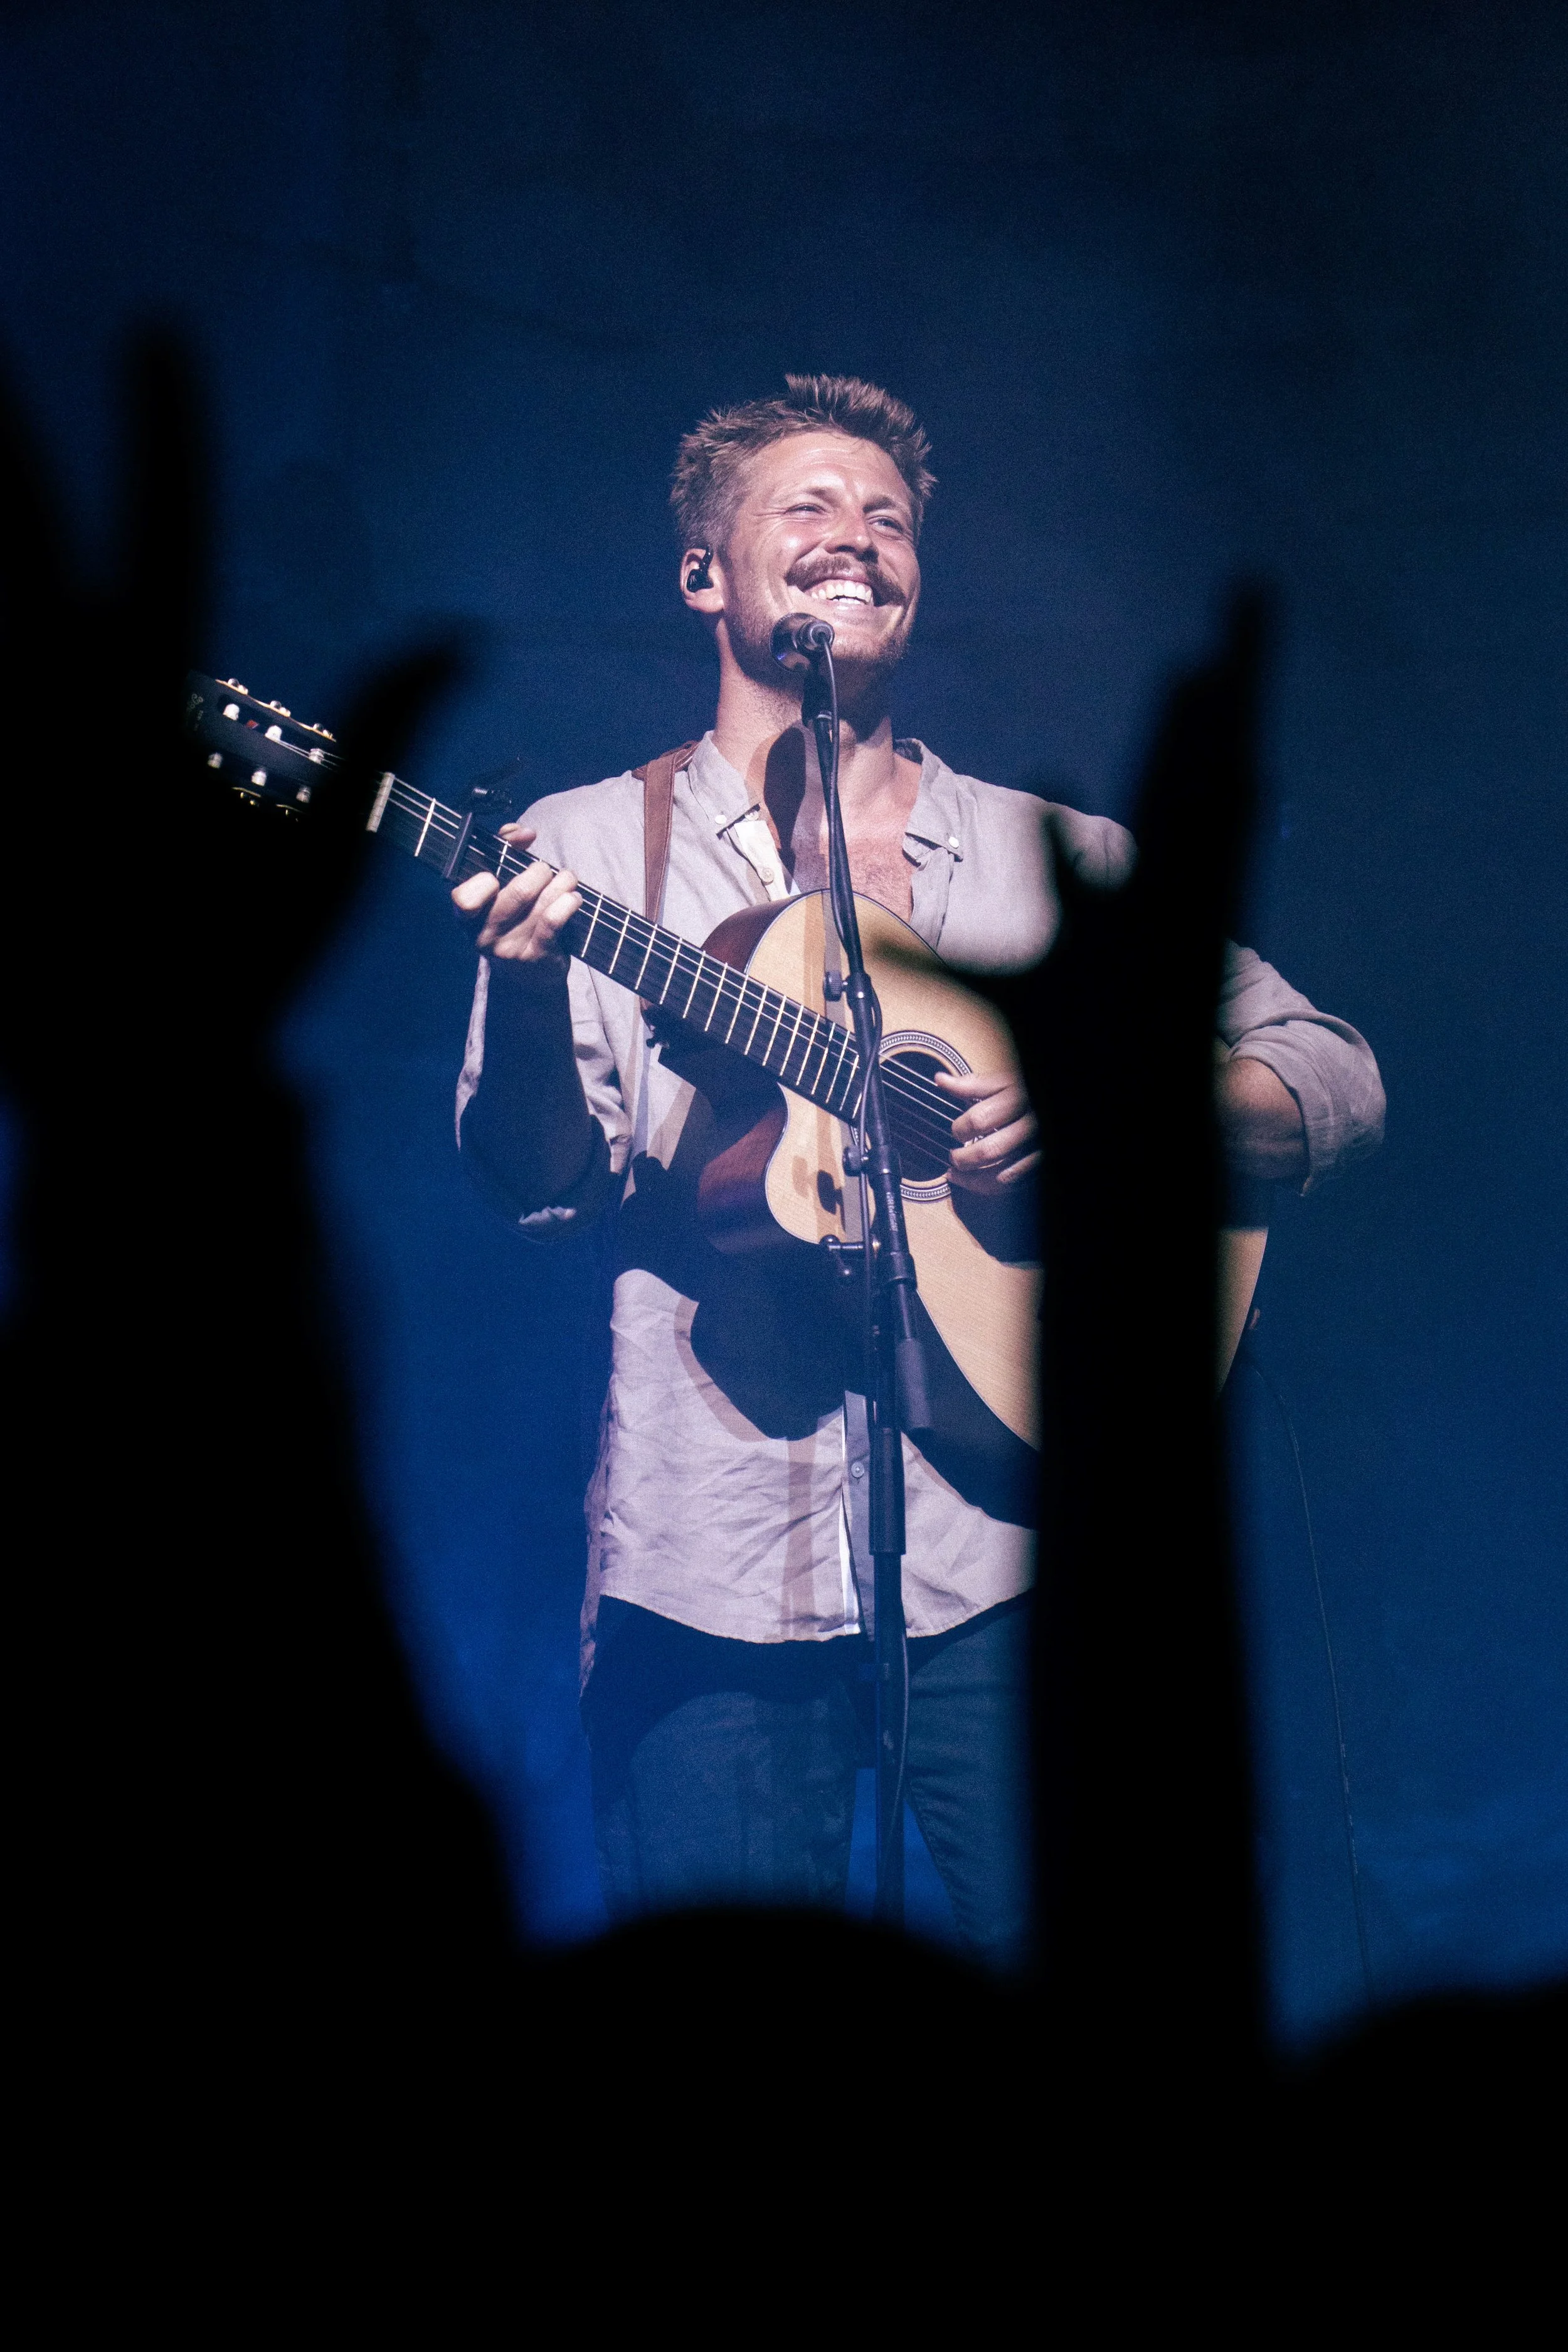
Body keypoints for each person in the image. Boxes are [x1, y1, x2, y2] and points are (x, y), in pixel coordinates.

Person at [451, 375, 1384, 1968]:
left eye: (887, 519)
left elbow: (1332, 1081)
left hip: (1016, 1564)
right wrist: (535, 992)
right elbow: (537, 1188)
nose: (856, 540)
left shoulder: (1059, 863)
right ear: (704, 576)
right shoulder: (593, 851)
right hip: (716, 1580)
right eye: (806, 510)